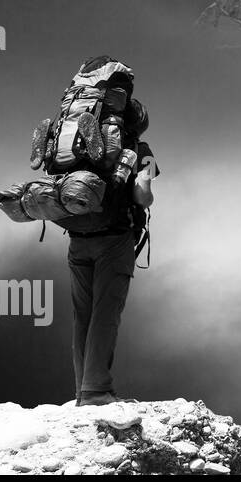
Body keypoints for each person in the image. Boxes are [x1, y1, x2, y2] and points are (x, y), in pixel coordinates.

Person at [58, 62, 160, 407]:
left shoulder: (81, 143)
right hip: (115, 239)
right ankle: (96, 391)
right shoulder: (139, 149)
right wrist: (145, 187)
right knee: (106, 312)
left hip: (77, 235)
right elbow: (142, 195)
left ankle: (82, 391)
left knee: (82, 315)